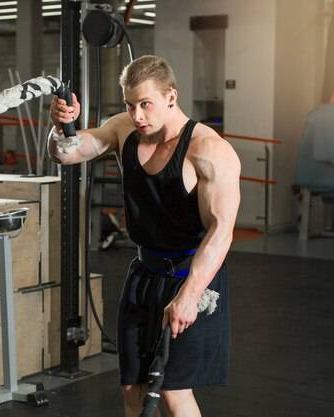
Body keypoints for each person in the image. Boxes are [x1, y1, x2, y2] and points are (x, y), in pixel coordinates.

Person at [49, 55, 240, 417]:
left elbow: (222, 231)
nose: (137, 115)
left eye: (145, 104)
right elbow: (66, 154)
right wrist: (61, 127)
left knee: (172, 390)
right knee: (132, 386)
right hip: (144, 274)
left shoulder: (209, 150)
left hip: (192, 279)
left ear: (171, 96)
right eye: (130, 104)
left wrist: (189, 297)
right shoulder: (124, 129)